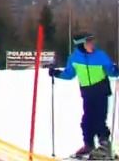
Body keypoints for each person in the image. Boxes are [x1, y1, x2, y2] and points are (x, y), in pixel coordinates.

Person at [50, 31, 119, 159]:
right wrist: (56, 73)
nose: (92, 44)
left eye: (92, 41)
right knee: (87, 120)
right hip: (87, 92)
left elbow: (111, 71)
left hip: (101, 90)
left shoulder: (100, 55)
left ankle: (105, 146)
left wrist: (116, 70)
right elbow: (69, 74)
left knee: (99, 119)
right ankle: (89, 145)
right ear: (81, 45)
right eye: (89, 42)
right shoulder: (74, 58)